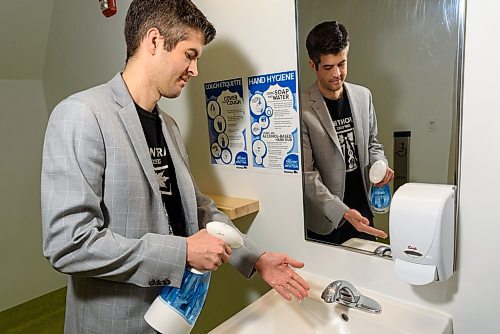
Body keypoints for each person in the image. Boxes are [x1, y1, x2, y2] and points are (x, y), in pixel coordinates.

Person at [41, 1, 309, 333]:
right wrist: (182, 252)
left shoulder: (168, 125)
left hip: (173, 314)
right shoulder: (82, 114)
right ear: (153, 41)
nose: (195, 69)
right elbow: (69, 244)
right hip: (115, 323)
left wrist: (256, 258)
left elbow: (200, 210)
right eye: (190, 54)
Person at [301, 21, 394, 245]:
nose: (337, 74)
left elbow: (373, 144)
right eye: (328, 67)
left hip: (363, 211)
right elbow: (307, 176)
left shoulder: (364, 96)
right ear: (313, 66)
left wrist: (379, 165)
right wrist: (341, 212)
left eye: (341, 64)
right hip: (327, 220)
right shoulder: (301, 107)